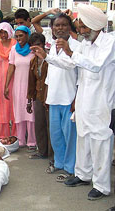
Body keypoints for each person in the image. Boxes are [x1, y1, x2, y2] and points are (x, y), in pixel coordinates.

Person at [40, 4, 115, 200]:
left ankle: (101, 185)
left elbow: (96, 66)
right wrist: (47, 57)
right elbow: (70, 64)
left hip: (101, 103)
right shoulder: (86, 44)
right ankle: (83, 174)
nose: (79, 31)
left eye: (82, 27)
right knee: (83, 138)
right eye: (80, 27)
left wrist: (72, 53)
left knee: (100, 143)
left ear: (93, 25)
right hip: (83, 100)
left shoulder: (109, 42)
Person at [30, 13, 78, 182]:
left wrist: (75, 100)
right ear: (52, 28)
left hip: (68, 98)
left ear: (69, 27)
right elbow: (51, 75)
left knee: (69, 135)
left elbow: (72, 67)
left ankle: (71, 168)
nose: (60, 28)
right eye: (57, 25)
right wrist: (46, 98)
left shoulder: (76, 47)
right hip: (54, 98)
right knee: (56, 134)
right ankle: (59, 162)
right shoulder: (52, 48)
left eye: (64, 25)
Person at [4, 26, 36, 152]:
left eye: (21, 36)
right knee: (19, 112)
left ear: (27, 35)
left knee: (31, 112)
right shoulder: (14, 50)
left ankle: (32, 141)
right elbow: (11, 67)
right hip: (18, 85)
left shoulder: (33, 50)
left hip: (30, 86)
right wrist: (6, 86)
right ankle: (21, 139)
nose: (19, 39)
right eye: (16, 36)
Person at [27, 33, 53, 160]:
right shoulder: (33, 61)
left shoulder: (50, 59)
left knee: (51, 126)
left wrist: (48, 96)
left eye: (38, 45)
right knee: (39, 125)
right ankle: (42, 151)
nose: (36, 48)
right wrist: (29, 100)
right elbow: (31, 82)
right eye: (33, 46)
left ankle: (53, 154)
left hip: (50, 96)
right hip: (37, 96)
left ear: (43, 45)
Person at [0, 22, 17, 139]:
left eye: (5, 32)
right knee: (1, 109)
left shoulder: (15, 44)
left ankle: (16, 136)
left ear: (10, 32)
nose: (3, 35)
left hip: (14, 81)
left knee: (14, 108)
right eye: (1, 32)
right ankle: (3, 136)